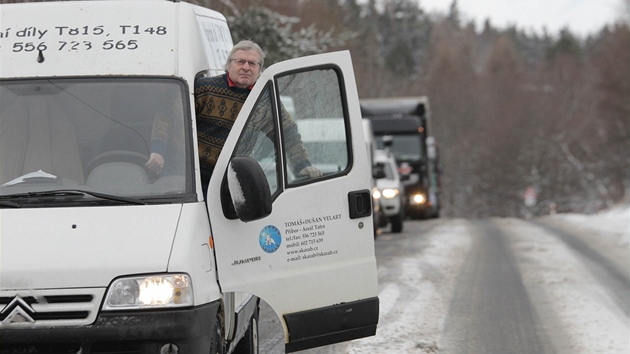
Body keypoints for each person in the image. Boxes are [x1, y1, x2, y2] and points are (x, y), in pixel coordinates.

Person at [146, 40, 321, 193]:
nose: (246, 67)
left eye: (253, 63)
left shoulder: (263, 100)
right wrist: (158, 151)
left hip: (228, 180)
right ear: (229, 65)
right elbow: (167, 113)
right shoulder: (204, 87)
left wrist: (302, 165)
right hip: (187, 174)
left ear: (260, 70)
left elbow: (287, 133)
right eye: (240, 61)